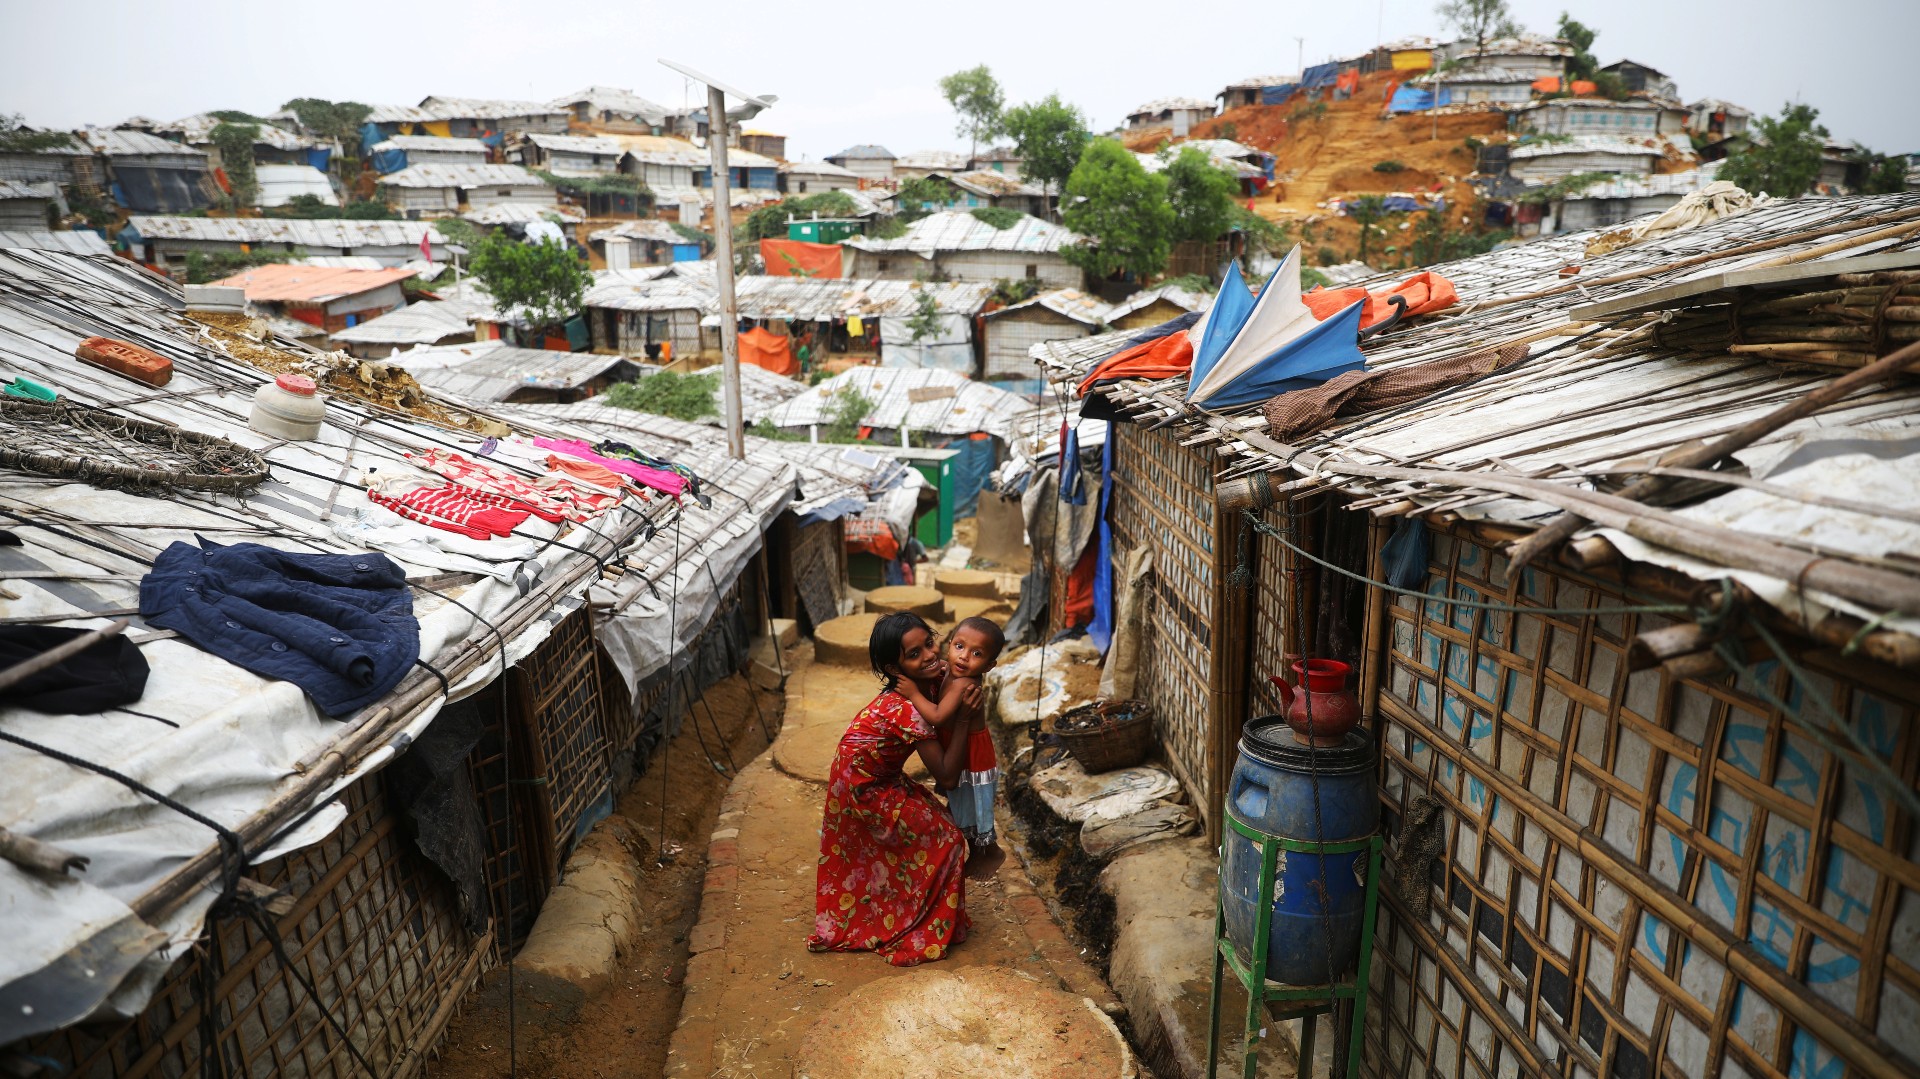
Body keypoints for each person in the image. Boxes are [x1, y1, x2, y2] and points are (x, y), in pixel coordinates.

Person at [805, 612, 980, 966]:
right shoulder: (909, 708)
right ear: (894, 668)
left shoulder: (928, 684)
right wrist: (963, 717)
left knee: (934, 824)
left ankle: (901, 908)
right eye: (914, 654)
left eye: (930, 643)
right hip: (864, 785)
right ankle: (916, 924)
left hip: (877, 774)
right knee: (946, 839)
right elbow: (946, 775)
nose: (930, 655)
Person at [896, 616, 1007, 879]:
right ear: (949, 643)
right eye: (959, 646)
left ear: (989, 665)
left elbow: (936, 717)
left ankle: (990, 851)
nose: (964, 657)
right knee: (962, 805)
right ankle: (977, 851)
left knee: (972, 805)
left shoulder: (964, 683)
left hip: (971, 755)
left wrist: (913, 693)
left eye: (976, 653)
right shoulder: (951, 671)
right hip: (960, 748)